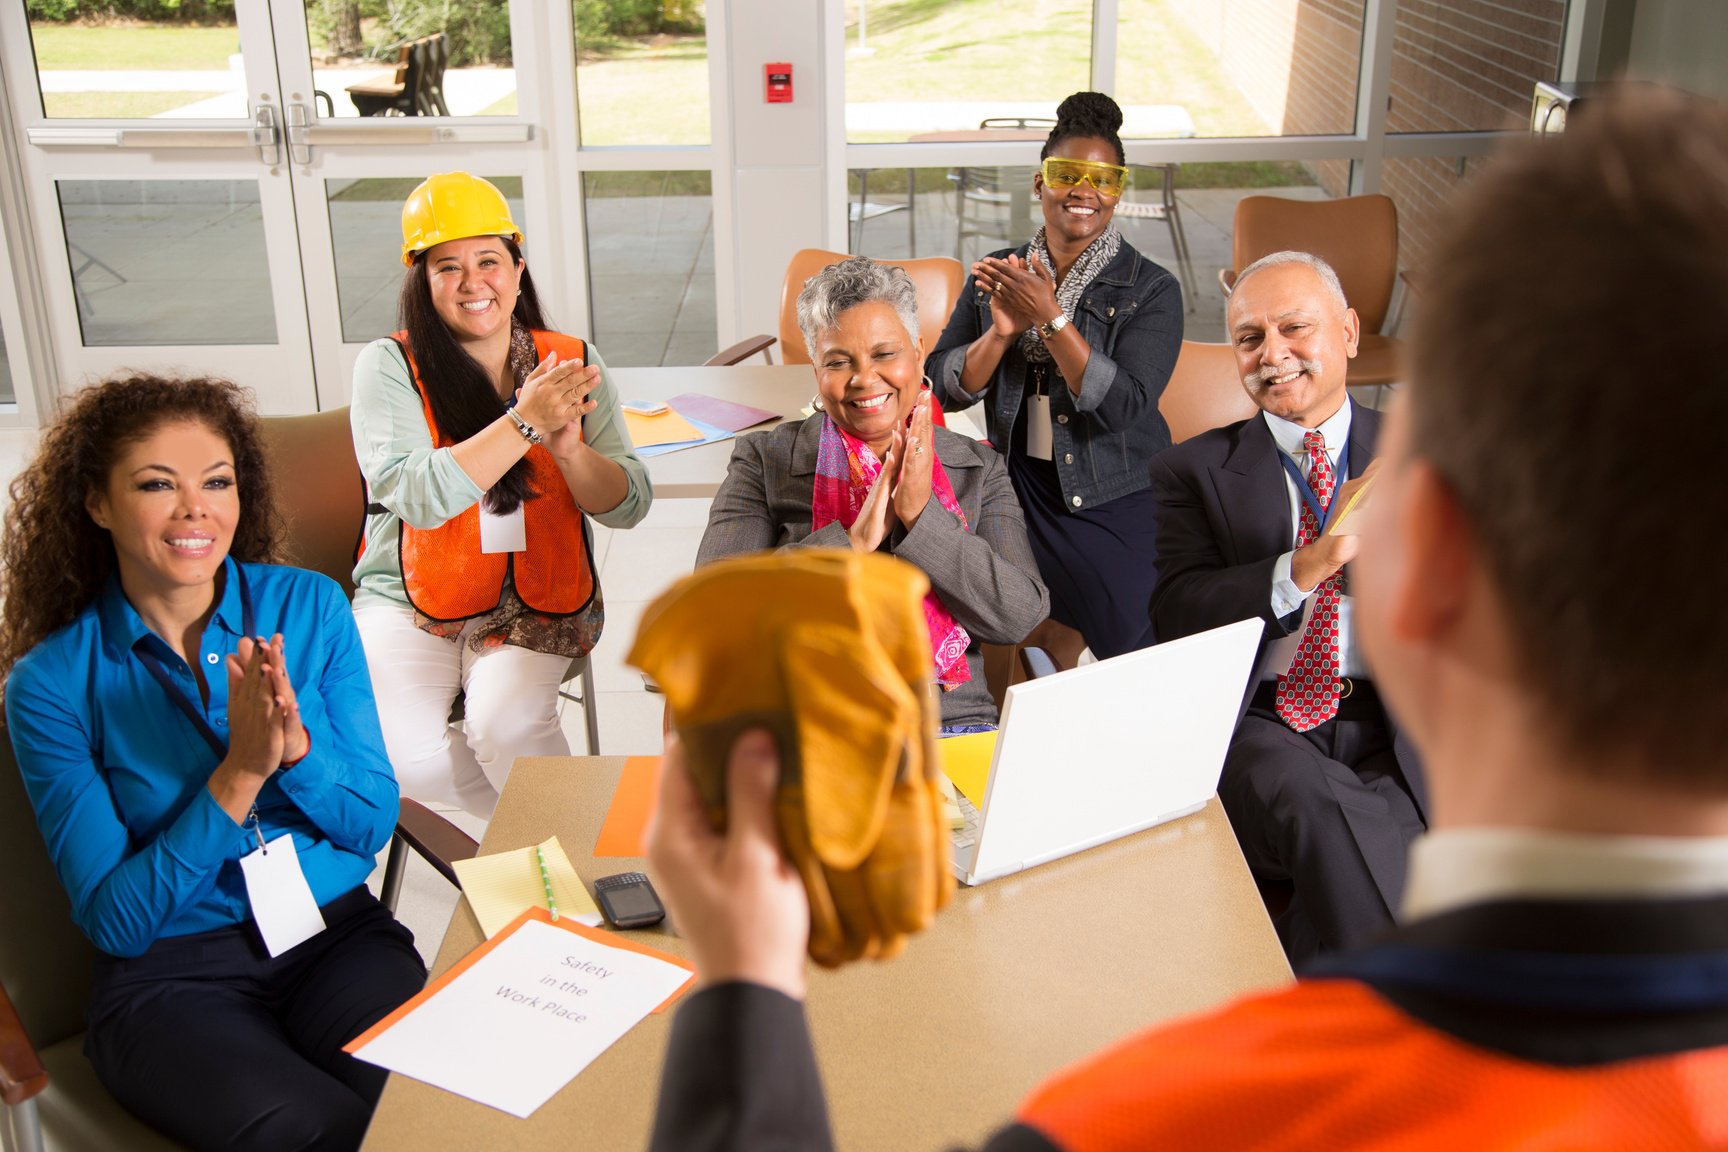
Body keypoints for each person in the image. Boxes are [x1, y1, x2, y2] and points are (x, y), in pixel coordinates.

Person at [644, 86, 1728, 1149]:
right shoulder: (815, 444)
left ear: (1423, 562)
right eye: (841, 359)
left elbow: (1040, 559)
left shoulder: (1149, 1117)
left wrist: (743, 989)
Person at [0, 375, 425, 1152]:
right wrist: (238, 775)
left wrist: (295, 752)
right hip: (169, 980)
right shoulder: (50, 684)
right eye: (157, 484)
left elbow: (368, 823)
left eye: (217, 482)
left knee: (429, 1109)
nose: (196, 508)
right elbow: (118, 922)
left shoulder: (309, 606)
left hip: (332, 936)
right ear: (97, 503)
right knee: (316, 1130)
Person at [1147, 250, 1425, 963]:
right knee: (1316, 804)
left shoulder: (1427, 453)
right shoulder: (1193, 470)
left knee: (1350, 862)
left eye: (1295, 329)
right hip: (1267, 729)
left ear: (1350, 332)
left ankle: (1330, 1027)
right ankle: (1433, 1020)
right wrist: (1300, 570)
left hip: (1397, 727)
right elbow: (1175, 611)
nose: (1273, 355)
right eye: (1249, 339)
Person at [350, 171, 651, 818]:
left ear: (518, 268)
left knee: (505, 728)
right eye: (446, 267)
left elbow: (628, 504)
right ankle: (563, 828)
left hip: (535, 594)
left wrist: (570, 450)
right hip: (410, 597)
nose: (471, 282)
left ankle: (551, 840)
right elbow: (417, 495)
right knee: (402, 758)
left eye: (489, 260)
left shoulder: (569, 357)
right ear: (421, 282)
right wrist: (526, 423)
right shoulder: (388, 366)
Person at [698, 255, 1047, 732]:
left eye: (884, 354)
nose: (864, 379)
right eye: (839, 362)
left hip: (947, 722)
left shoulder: (978, 466)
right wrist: (852, 544)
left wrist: (922, 518)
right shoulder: (765, 459)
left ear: (918, 353)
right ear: (816, 372)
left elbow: (1017, 616)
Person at [926, 91, 1184, 668]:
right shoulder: (999, 273)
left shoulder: (1153, 290)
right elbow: (938, 387)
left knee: (1139, 639)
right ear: (1039, 184)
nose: (1083, 192)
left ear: (1118, 191)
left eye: (1103, 178)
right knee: (961, 584)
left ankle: (1071, 657)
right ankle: (1046, 643)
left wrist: (1050, 317)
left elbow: (1124, 407)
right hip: (1018, 482)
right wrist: (998, 333)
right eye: (1066, 174)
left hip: (1115, 486)